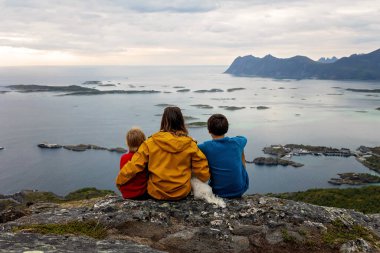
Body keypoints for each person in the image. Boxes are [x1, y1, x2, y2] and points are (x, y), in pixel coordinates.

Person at [116, 106, 210, 200]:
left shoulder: (150, 142)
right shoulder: (190, 144)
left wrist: (119, 181)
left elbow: (134, 166)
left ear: (163, 121)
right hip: (181, 193)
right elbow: (203, 173)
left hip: (156, 193)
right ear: (181, 122)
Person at [198, 114, 249, 198]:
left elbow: (192, 149)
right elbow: (244, 138)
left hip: (218, 192)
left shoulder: (205, 146)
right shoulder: (237, 142)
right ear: (226, 129)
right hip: (240, 189)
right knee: (240, 150)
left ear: (209, 131)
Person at [118, 127, 148, 199]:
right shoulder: (145, 158)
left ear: (128, 143)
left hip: (126, 195)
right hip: (142, 194)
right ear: (143, 142)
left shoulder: (124, 158)